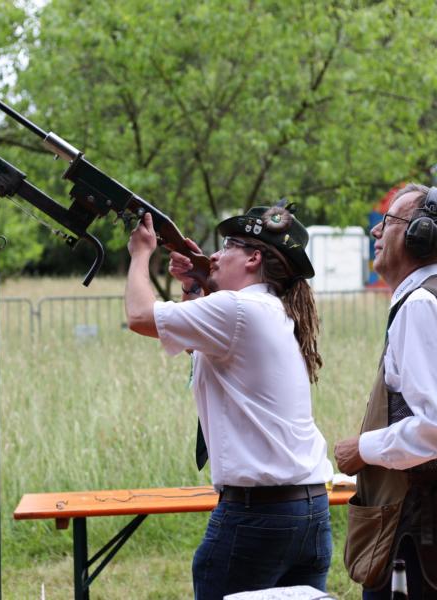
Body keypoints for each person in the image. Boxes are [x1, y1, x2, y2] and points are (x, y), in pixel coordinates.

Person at [125, 202, 335, 599]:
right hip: (308, 508)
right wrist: (194, 287)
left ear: (253, 258)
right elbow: (196, 342)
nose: (215, 255)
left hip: (258, 514)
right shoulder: (268, 309)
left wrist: (140, 254)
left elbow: (139, 316)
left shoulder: (238, 308)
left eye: (228, 246)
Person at [333, 184, 437, 599]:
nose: (376, 231)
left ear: (420, 234)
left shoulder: (424, 305)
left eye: (388, 221)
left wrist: (363, 448)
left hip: (418, 532)